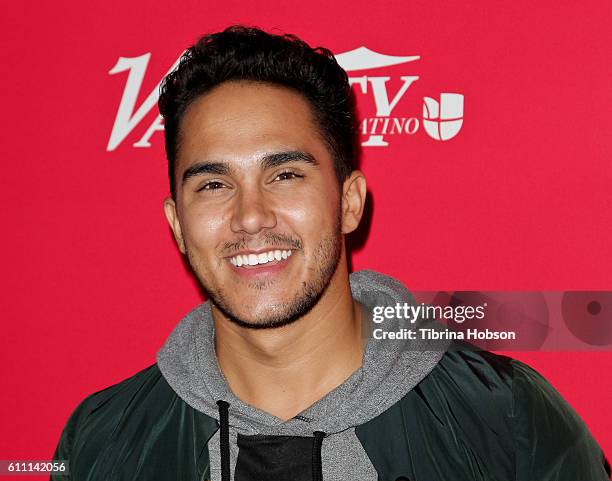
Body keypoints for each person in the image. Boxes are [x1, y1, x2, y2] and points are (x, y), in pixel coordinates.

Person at [51, 25, 610, 481]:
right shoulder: (99, 445)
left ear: (349, 203)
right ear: (177, 223)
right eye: (214, 185)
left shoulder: (507, 419)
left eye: (286, 174)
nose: (251, 216)